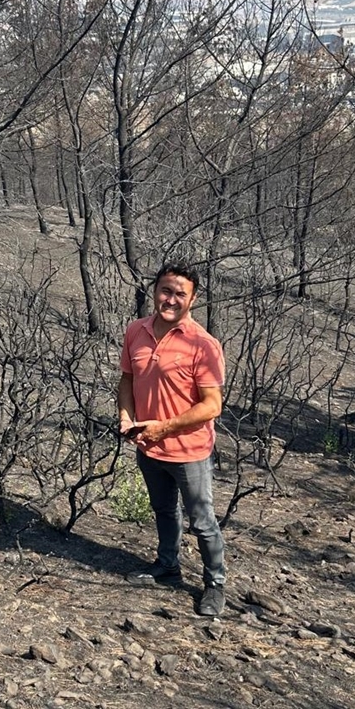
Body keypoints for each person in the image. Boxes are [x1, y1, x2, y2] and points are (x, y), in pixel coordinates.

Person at [117, 261, 227, 616]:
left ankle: (215, 585)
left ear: (192, 299)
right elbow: (127, 380)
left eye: (181, 293)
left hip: (189, 450)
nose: (171, 299)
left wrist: (162, 427)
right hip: (148, 446)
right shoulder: (136, 330)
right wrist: (126, 417)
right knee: (163, 510)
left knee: (201, 520)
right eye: (166, 290)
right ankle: (167, 565)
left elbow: (212, 406)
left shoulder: (204, 345)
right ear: (154, 291)